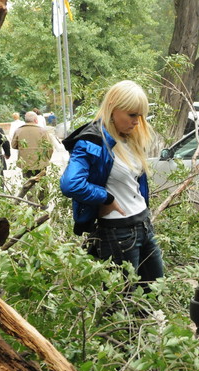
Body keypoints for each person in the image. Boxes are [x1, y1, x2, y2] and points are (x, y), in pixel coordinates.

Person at [60, 80, 164, 283]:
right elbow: (71, 184)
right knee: (123, 302)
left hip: (144, 225)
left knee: (156, 292)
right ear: (113, 108)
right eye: (132, 115)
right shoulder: (92, 141)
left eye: (140, 115)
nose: (137, 122)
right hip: (119, 232)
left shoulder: (130, 138)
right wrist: (106, 198)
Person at [11, 111, 52, 180]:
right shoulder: (42, 131)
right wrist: (46, 159)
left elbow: (13, 145)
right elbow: (49, 148)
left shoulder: (18, 130)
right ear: (36, 120)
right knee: (42, 185)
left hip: (25, 163)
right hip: (40, 162)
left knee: (27, 184)